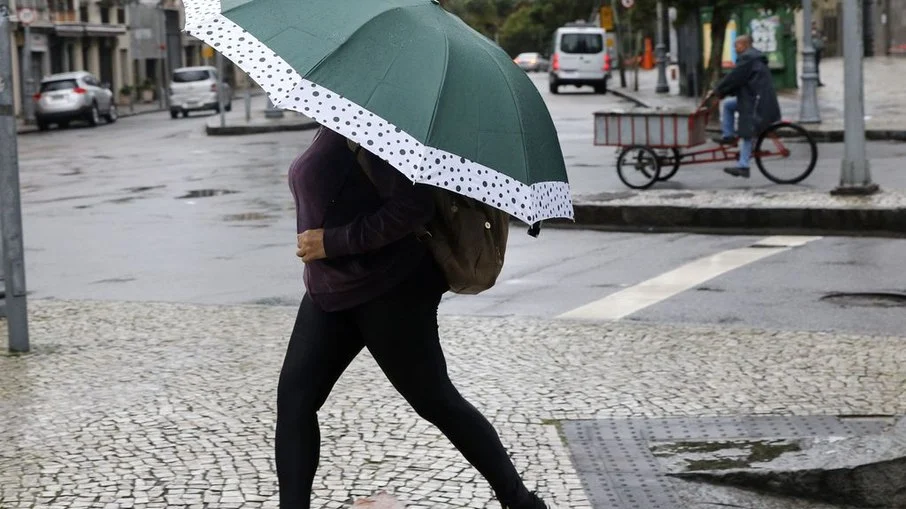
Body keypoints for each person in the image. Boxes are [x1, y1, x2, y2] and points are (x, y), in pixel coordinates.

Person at [280, 126, 548, 509]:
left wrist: (332, 241)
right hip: (330, 290)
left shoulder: (374, 128)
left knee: (436, 400)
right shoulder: (336, 123)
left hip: (388, 291)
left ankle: (522, 503)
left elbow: (412, 207)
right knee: (295, 400)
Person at [709, 34, 781, 179]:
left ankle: (743, 166)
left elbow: (734, 77)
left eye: (736, 45)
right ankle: (728, 135)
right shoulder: (753, 57)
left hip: (756, 101)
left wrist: (717, 91)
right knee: (729, 105)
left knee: (747, 130)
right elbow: (740, 81)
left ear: (744, 45)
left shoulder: (748, 58)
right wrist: (722, 93)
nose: (735, 49)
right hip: (755, 98)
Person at [811, 21, 826, 87]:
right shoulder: (809, 32)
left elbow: (823, 38)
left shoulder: (818, 31)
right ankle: (815, 81)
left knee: (816, 66)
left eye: (814, 24)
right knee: (814, 67)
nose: (814, 25)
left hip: (818, 50)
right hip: (812, 51)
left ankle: (817, 81)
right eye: (812, 24)